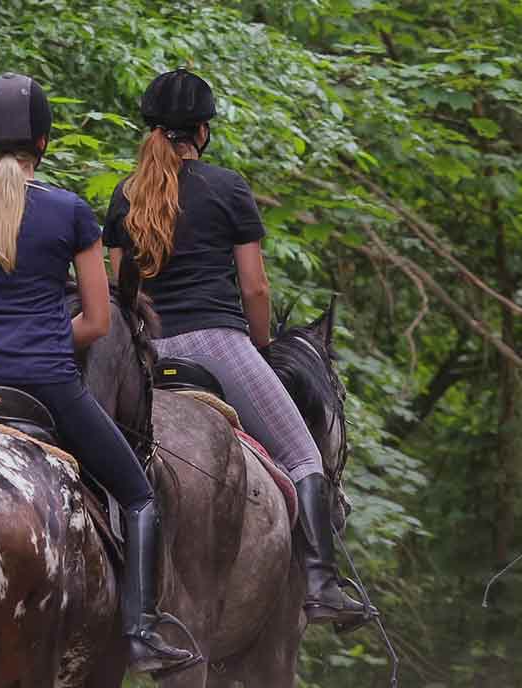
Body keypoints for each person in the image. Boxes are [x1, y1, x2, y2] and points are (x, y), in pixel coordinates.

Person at [0, 73, 198, 674]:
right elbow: (98, 323)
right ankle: (142, 632)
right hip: (48, 385)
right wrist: (43, 337)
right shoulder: (71, 213)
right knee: (139, 495)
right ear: (42, 143)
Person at [103, 68, 367, 629]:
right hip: (216, 343)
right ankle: (321, 586)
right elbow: (255, 287)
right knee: (302, 455)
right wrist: (262, 346)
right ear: (202, 130)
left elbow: (120, 292)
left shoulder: (125, 195)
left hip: (147, 354)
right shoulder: (227, 187)